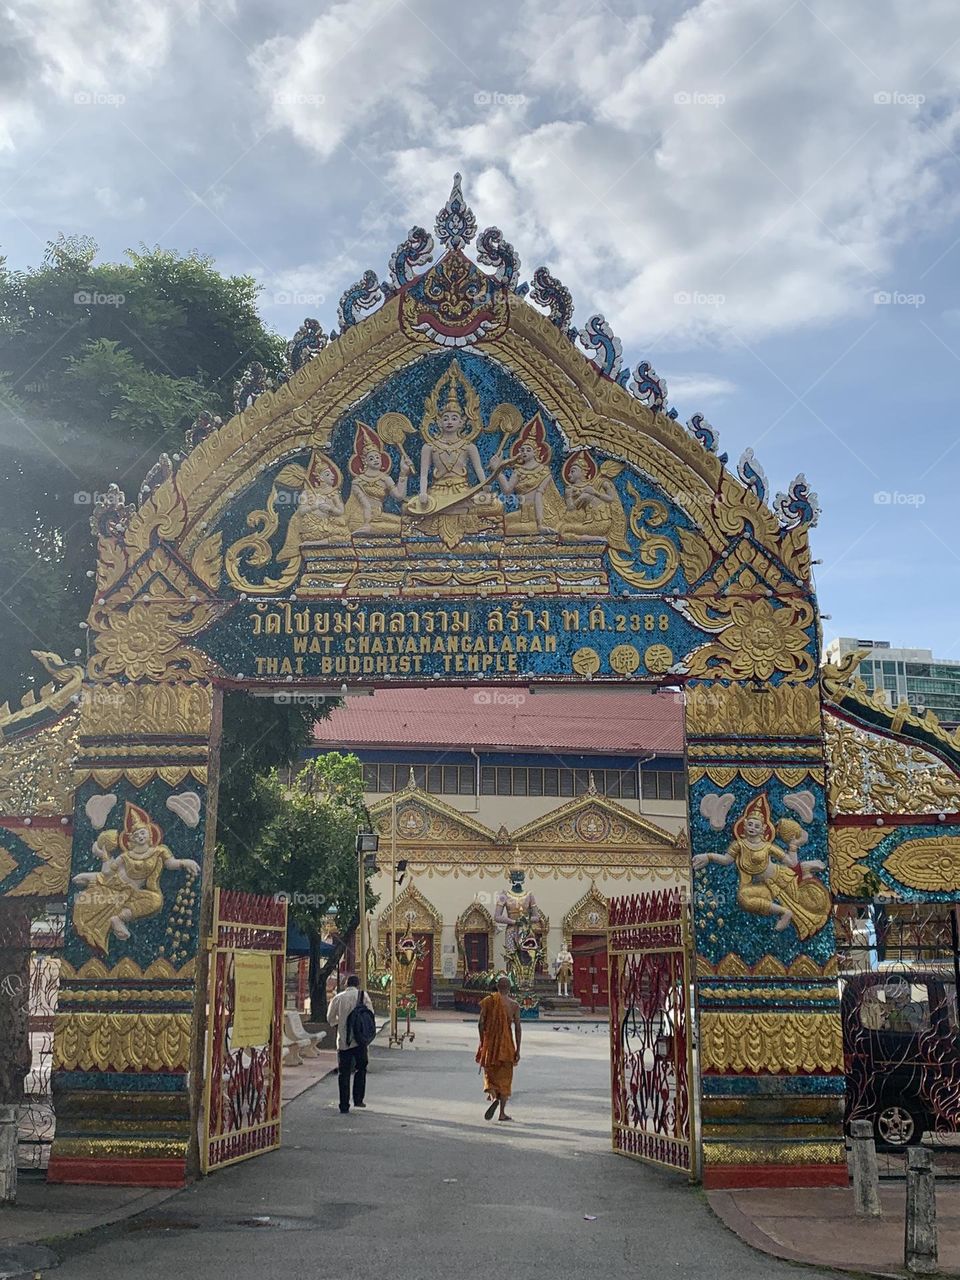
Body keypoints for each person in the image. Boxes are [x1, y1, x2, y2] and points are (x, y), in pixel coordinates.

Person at [327, 975, 374, 1114]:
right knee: (361, 1068)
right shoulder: (363, 996)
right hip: (359, 1040)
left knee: (344, 1072)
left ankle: (344, 1105)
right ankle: (358, 1099)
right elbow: (370, 1014)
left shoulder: (338, 998)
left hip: (343, 1041)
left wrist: (340, 1023)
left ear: (345, 984)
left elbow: (330, 1018)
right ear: (358, 984)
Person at [476, 976, 521, 1122]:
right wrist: (518, 1049)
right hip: (507, 1045)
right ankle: (502, 1113)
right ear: (509, 988)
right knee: (505, 1078)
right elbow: (518, 1028)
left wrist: (483, 1041)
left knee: (490, 1074)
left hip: (490, 1043)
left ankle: (494, 1095)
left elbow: (480, 1023)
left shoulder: (489, 1001)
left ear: (497, 987)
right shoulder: (514, 1005)